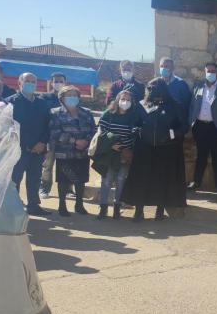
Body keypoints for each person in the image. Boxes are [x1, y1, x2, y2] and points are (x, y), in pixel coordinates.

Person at [121, 78, 188, 222]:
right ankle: (139, 211)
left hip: (165, 149)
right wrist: (138, 131)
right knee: (141, 180)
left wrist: (170, 135)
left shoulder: (174, 105)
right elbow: (134, 123)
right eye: (149, 88)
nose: (151, 91)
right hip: (144, 148)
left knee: (162, 180)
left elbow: (183, 126)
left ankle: (160, 210)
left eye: (155, 88)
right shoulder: (142, 105)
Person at [187, 62, 217, 191]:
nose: (210, 73)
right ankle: (196, 182)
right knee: (201, 155)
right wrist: (192, 122)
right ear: (205, 72)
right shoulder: (198, 86)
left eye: (213, 71)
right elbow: (192, 105)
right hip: (199, 126)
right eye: (208, 71)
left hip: (216, 127)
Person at [6, 73, 51, 216]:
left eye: (33, 81)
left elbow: (48, 125)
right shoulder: (10, 102)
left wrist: (43, 142)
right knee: (15, 179)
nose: (30, 84)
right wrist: (28, 144)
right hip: (18, 149)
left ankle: (33, 205)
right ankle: (14, 207)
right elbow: (9, 127)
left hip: (38, 150)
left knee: (34, 178)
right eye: (27, 81)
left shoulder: (42, 103)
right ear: (19, 83)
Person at [48, 86, 95, 217]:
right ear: (62, 98)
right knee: (63, 180)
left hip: (83, 152)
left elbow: (94, 130)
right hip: (65, 153)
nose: (72, 98)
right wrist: (74, 141)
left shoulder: (86, 113)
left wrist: (86, 141)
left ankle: (79, 204)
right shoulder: (55, 113)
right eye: (69, 95)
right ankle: (62, 205)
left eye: (75, 95)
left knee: (81, 179)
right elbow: (54, 133)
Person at [95, 90, 143, 219]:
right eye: (123, 99)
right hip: (110, 153)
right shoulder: (109, 114)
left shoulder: (133, 116)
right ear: (117, 100)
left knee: (121, 180)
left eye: (128, 100)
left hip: (125, 154)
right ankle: (103, 207)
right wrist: (110, 144)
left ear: (132, 102)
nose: (125, 102)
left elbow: (135, 133)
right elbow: (100, 131)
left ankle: (117, 207)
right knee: (106, 180)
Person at [39, 72, 67, 200]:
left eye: (61, 81)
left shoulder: (69, 97)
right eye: (56, 81)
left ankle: (67, 189)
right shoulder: (44, 97)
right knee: (47, 164)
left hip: (66, 137)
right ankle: (44, 188)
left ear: (65, 83)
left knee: (66, 164)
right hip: (50, 136)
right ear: (51, 82)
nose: (58, 83)